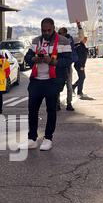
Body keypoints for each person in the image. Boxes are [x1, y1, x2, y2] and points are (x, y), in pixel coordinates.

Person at [18, 18, 72, 151]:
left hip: (53, 81)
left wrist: (52, 61)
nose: (46, 32)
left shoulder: (63, 41)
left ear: (54, 27)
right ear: (41, 29)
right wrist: (34, 59)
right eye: (44, 30)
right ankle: (32, 139)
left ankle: (48, 138)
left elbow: (69, 60)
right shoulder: (36, 40)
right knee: (32, 110)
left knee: (51, 110)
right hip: (36, 80)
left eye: (49, 30)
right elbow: (27, 57)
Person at [57, 27, 77, 111]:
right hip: (59, 66)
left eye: (61, 33)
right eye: (59, 33)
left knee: (69, 86)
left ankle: (69, 103)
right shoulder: (56, 40)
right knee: (57, 86)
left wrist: (79, 26)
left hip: (68, 66)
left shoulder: (70, 40)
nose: (59, 34)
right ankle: (57, 104)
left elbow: (80, 37)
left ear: (65, 33)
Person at [72, 22, 88, 98]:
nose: (86, 40)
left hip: (79, 64)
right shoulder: (80, 46)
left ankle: (74, 87)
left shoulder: (81, 46)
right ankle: (79, 92)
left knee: (82, 77)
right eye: (85, 38)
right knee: (82, 77)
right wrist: (82, 65)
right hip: (79, 65)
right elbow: (81, 57)